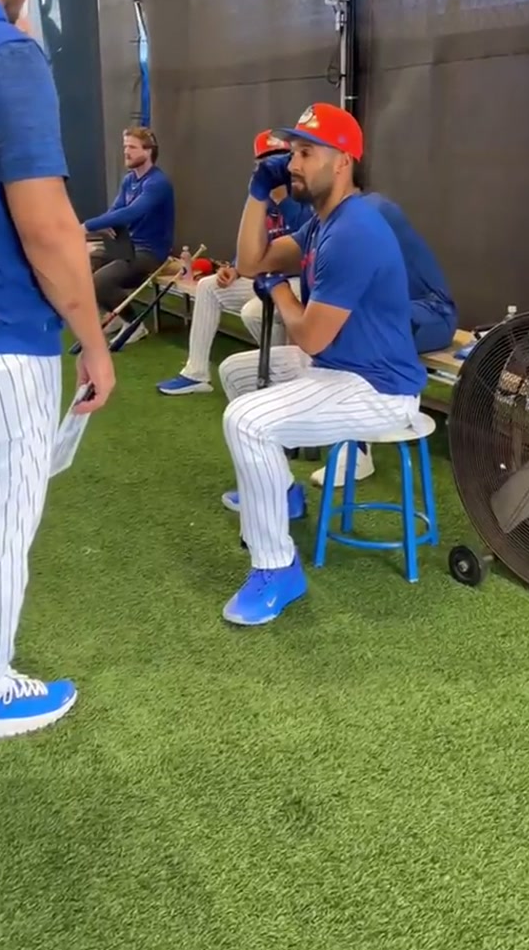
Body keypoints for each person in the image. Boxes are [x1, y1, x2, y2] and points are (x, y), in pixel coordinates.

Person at [0, 0, 115, 746]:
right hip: (1, 340)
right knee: (0, 521)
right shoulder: (7, 53)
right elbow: (47, 224)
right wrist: (95, 345)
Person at [219, 102, 427, 627]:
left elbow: (308, 333)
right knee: (236, 375)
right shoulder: (322, 224)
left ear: (343, 162)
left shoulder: (355, 230)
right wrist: (256, 192)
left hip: (378, 390)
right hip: (338, 369)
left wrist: (280, 292)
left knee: (247, 421)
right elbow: (250, 261)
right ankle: (283, 493)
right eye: (292, 152)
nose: (293, 163)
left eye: (307, 153)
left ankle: (276, 568)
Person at [309, 191, 457, 489]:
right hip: (397, 309)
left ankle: (357, 453)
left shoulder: (369, 214)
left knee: (351, 327)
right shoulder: (324, 220)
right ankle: (332, 431)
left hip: (431, 311)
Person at [156, 130, 312, 395]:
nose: (272, 166)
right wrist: (234, 269)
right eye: (265, 161)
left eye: (278, 158)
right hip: (264, 278)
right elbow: (249, 247)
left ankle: (280, 379)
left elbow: (305, 249)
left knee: (253, 310)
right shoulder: (257, 198)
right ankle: (196, 373)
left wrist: (281, 200)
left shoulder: (304, 196)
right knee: (208, 286)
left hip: (299, 281)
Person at [84, 126, 175, 345]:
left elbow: (133, 212)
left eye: (132, 147)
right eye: (125, 146)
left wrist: (87, 226)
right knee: (83, 267)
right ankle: (115, 315)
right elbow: (116, 211)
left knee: (99, 282)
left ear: (148, 151)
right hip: (126, 246)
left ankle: (135, 325)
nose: (126, 152)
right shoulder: (129, 180)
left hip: (150, 253)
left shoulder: (157, 183)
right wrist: (108, 221)